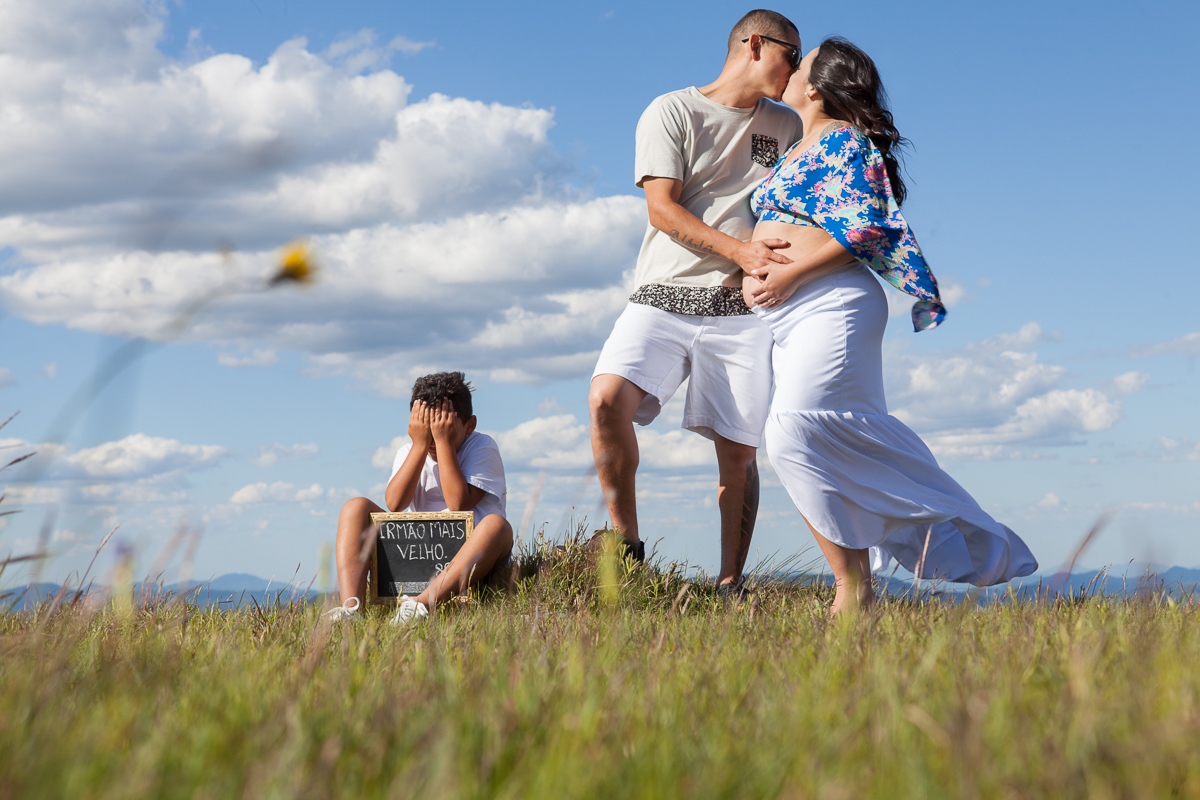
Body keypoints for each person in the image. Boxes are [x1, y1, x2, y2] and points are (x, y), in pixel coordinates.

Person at [742, 37, 1037, 614]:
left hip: (832, 303)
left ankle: (852, 586)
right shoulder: (795, 148)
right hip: (788, 314)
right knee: (816, 436)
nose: (790, 69)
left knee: (793, 430)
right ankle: (858, 586)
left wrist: (789, 274)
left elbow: (867, 229)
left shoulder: (847, 142)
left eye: (799, 64)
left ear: (816, 87)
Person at [589, 10, 804, 596]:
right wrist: (741, 249)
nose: (796, 68)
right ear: (755, 44)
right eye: (791, 55)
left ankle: (730, 584)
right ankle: (626, 546)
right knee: (606, 397)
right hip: (663, 295)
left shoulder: (787, 124)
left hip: (742, 309)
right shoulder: (673, 110)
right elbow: (662, 208)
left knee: (739, 453)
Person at [326, 372, 512, 624]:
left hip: (475, 560)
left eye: (443, 428)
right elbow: (395, 504)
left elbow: (458, 505)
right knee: (354, 507)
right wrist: (418, 446)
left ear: (469, 425)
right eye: (427, 429)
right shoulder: (411, 449)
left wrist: (444, 443)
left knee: (496, 525)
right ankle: (351, 610)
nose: (434, 438)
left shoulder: (482, 447)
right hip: (418, 554)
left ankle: (419, 607)